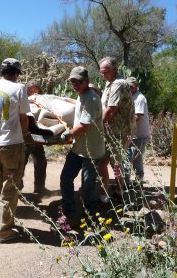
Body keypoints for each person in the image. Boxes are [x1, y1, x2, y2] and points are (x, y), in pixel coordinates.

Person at [0, 58, 31, 243]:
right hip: (11, 145)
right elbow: (23, 118)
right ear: (16, 73)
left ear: (2, 71)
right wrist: (26, 135)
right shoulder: (19, 88)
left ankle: (4, 222)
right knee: (10, 187)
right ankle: (4, 232)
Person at [60, 66, 105, 226]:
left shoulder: (91, 99)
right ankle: (70, 213)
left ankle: (91, 217)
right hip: (78, 149)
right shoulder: (81, 95)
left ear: (86, 81)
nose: (75, 85)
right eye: (72, 82)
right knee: (66, 178)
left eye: (78, 82)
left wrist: (68, 134)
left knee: (88, 186)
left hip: (91, 151)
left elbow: (84, 126)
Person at [98, 57, 135, 202]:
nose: (103, 74)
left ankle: (104, 196)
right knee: (115, 163)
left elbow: (111, 110)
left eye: (106, 71)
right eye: (101, 72)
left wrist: (98, 127)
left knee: (103, 163)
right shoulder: (109, 83)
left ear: (115, 69)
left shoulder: (118, 84)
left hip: (118, 132)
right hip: (113, 130)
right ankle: (120, 191)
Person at [24, 80, 48, 194]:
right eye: (31, 89)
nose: (33, 91)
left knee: (41, 162)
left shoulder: (43, 100)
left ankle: (39, 187)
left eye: (35, 88)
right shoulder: (24, 100)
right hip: (25, 137)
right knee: (21, 163)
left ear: (39, 89)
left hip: (38, 137)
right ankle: (17, 187)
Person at [125, 77, 151, 183]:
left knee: (136, 159)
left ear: (136, 86)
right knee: (128, 157)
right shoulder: (129, 96)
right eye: (127, 86)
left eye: (131, 86)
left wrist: (124, 127)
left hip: (139, 135)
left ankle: (138, 182)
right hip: (131, 134)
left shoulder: (139, 98)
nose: (129, 88)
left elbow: (137, 117)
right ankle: (126, 182)